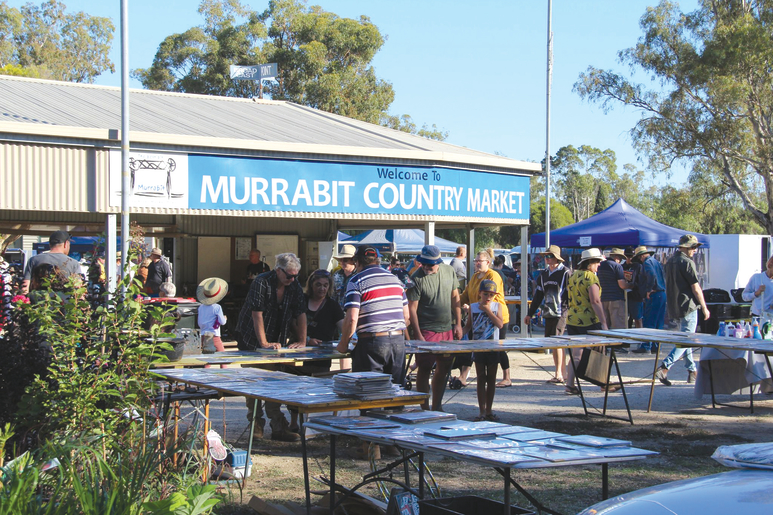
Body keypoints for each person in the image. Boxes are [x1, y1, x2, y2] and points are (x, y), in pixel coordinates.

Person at [235, 252, 307, 442]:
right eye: (289, 275)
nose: (292, 279)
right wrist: (263, 343)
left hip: (277, 338)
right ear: (278, 270)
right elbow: (256, 313)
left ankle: (278, 425)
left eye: (295, 276)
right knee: (254, 381)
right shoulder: (261, 281)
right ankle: (256, 424)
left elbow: (300, 312)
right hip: (250, 338)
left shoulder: (294, 285)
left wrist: (303, 340)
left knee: (275, 382)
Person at [336, 245, 409, 385]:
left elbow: (352, 318)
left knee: (369, 394)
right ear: (377, 261)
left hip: (372, 342)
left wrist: (343, 344)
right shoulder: (395, 280)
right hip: (398, 340)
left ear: (357, 262)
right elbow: (406, 316)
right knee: (397, 393)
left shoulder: (356, 281)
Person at [407, 245, 462, 411]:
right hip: (426, 329)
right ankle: (424, 408)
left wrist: (458, 324)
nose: (425, 267)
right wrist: (417, 334)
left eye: (429, 265)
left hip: (447, 329)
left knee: (444, 368)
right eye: (423, 263)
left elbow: (455, 298)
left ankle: (437, 406)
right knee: (423, 368)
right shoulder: (415, 278)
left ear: (438, 262)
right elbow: (412, 309)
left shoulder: (449, 271)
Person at [656, 235, 710, 386]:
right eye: (692, 247)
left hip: (675, 305)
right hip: (688, 306)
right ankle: (665, 367)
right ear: (684, 247)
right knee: (686, 341)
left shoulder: (671, 261)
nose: (694, 250)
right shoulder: (686, 262)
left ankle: (692, 372)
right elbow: (696, 287)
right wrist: (704, 307)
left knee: (687, 339)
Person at [452, 251, 509, 387]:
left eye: (480, 261)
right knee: (472, 345)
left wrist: (472, 308)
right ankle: (463, 376)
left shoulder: (493, 275)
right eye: (475, 260)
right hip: (477, 317)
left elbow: (489, 297)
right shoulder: (475, 277)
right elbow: (465, 295)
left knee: (498, 348)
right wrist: (454, 304)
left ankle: (507, 377)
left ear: (488, 263)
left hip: (496, 317)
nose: (477, 263)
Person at [564, 248, 609, 395]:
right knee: (601, 351)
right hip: (589, 320)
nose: (599, 265)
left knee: (576, 354)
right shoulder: (591, 277)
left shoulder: (573, 275)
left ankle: (570, 384)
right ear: (590, 263)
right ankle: (604, 383)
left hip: (572, 320)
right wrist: (603, 322)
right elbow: (595, 301)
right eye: (597, 262)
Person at [525, 245, 570, 384]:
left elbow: (570, 294)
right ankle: (562, 372)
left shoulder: (565, 273)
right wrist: (530, 313)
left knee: (557, 341)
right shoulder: (544, 274)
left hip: (561, 311)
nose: (547, 259)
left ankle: (559, 373)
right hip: (548, 311)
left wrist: (568, 311)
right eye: (546, 256)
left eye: (550, 256)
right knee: (552, 342)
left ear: (557, 258)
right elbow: (538, 295)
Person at [463, 280, 504, 422]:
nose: (488, 297)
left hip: (493, 347)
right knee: (480, 377)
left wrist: (487, 310)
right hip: (478, 347)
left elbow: (500, 324)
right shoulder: (473, 307)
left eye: (491, 295)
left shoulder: (497, 306)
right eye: (485, 294)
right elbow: (469, 326)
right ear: (480, 293)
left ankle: (489, 410)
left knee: (491, 378)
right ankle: (481, 410)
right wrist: (460, 333)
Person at [632, 246, 666, 353]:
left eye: (639, 258)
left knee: (649, 321)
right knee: (658, 323)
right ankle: (656, 346)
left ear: (642, 256)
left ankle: (646, 346)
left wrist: (648, 289)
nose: (640, 260)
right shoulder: (656, 262)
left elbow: (651, 275)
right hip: (662, 294)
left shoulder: (647, 263)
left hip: (654, 294)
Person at [597, 248, 633, 334]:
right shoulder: (617, 266)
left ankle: (605, 345)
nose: (620, 261)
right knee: (618, 325)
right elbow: (622, 285)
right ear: (617, 257)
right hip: (616, 299)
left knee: (605, 325)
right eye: (620, 259)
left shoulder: (600, 265)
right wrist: (631, 285)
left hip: (603, 298)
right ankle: (618, 346)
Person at [197, 277, 229, 353]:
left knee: (207, 355)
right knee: (222, 356)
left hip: (203, 335)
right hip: (214, 335)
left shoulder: (201, 307)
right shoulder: (217, 307)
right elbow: (222, 322)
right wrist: (225, 319)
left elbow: (199, 323)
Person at [741, 255, 773, 321]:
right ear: (770, 265)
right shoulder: (757, 278)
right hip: (757, 317)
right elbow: (744, 296)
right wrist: (757, 293)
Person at [623, 247, 644, 330]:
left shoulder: (638, 266)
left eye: (631, 257)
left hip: (636, 296)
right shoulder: (622, 266)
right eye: (628, 257)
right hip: (625, 296)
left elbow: (641, 281)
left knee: (638, 318)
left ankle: (640, 338)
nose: (630, 259)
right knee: (625, 319)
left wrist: (633, 285)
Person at [332, 244, 357, 309]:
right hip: (338, 313)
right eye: (340, 260)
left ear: (353, 261)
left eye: (345, 260)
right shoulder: (336, 275)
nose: (342, 262)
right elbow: (333, 295)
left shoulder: (359, 276)